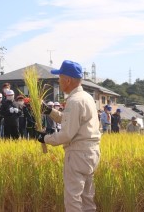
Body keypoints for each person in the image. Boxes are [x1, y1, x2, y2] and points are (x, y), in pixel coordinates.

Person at [38, 60, 101, 211]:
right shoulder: (86, 97)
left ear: (68, 80)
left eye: (59, 78)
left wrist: (45, 138)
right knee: (87, 198)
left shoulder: (74, 101)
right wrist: (49, 112)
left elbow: (67, 134)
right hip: (91, 153)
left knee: (73, 198)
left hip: (78, 154)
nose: (58, 82)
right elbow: (72, 120)